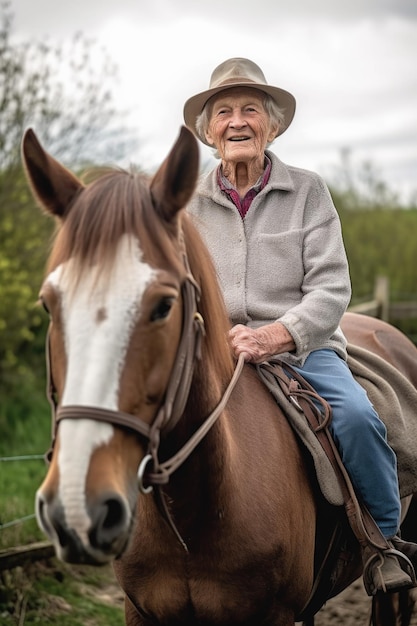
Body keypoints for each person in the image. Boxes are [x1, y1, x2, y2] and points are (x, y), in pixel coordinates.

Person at [183, 57, 417, 594]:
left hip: (302, 349)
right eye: (224, 112)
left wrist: (275, 335)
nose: (236, 121)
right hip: (213, 351)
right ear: (208, 130)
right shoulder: (187, 205)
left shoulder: (309, 191)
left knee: (357, 416)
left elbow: (332, 289)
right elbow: (180, 288)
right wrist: (212, 334)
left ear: (272, 125)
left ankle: (383, 545)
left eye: (249, 110)